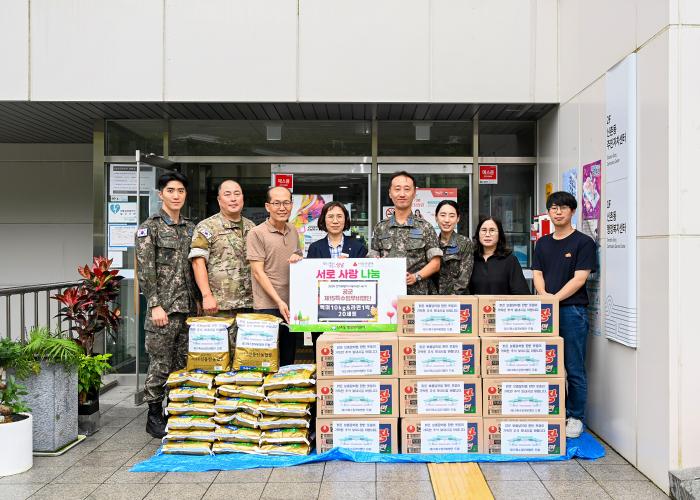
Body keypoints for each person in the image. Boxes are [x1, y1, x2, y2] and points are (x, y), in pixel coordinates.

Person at [135, 171, 198, 438]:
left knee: (182, 363)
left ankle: (177, 410)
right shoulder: (149, 227)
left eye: (180, 191)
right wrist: (155, 304)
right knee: (160, 362)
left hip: (187, 308)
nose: (176, 195)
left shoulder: (190, 228)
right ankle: (153, 413)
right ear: (160, 194)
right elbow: (145, 270)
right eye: (171, 190)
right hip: (163, 309)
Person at [532, 191, 597, 439]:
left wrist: (553, 299)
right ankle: (553, 411)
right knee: (546, 365)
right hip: (546, 312)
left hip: (572, 311)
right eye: (553, 208)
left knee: (574, 367)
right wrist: (544, 296)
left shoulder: (583, 243)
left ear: (572, 211)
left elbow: (580, 279)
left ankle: (576, 417)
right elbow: (537, 273)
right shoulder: (543, 243)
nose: (557, 212)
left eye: (563, 208)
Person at [189, 179, 255, 350]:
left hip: (248, 306)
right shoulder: (207, 227)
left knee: (246, 357)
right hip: (218, 306)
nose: (233, 198)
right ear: (219, 200)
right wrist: (206, 295)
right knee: (218, 358)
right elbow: (198, 262)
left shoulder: (252, 227)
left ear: (242, 198)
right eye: (227, 194)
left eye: (237, 194)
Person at [246, 186, 303, 366]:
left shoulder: (293, 230)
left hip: (291, 305)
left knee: (288, 359)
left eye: (286, 203)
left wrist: (298, 257)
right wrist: (278, 301)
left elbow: (298, 259)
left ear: (292, 205)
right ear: (267, 206)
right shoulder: (257, 233)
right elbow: (257, 271)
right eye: (276, 203)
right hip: (267, 307)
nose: (282, 207)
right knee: (266, 362)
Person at [370, 171, 442, 294]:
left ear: (414, 193)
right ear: (390, 193)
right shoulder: (380, 228)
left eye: (407, 189)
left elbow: (436, 263)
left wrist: (416, 276)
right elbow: (372, 258)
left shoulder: (425, 227)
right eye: (397, 189)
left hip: (417, 296)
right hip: (387, 295)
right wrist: (375, 262)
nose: (402, 194)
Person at [469, 216, 531, 295]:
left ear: (500, 234)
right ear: (478, 233)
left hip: (501, 307)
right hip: (475, 307)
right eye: (484, 230)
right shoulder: (470, 259)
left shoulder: (510, 260)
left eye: (492, 230)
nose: (487, 234)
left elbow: (522, 294)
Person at [434, 200, 474, 295]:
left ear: (458, 218)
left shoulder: (465, 243)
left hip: (457, 301)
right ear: (436, 218)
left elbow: (464, 277)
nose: (447, 220)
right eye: (443, 215)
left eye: (452, 216)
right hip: (434, 301)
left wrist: (451, 299)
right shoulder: (431, 242)